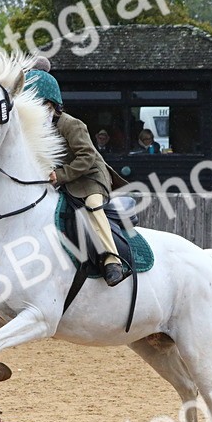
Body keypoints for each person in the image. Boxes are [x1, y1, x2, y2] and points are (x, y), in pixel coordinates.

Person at [25, 66, 129, 287]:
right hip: (65, 180)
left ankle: (113, 261)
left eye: (37, 106)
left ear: (51, 105)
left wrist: (60, 175)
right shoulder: (39, 130)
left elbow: (87, 156)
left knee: (92, 206)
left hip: (91, 177)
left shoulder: (72, 124)